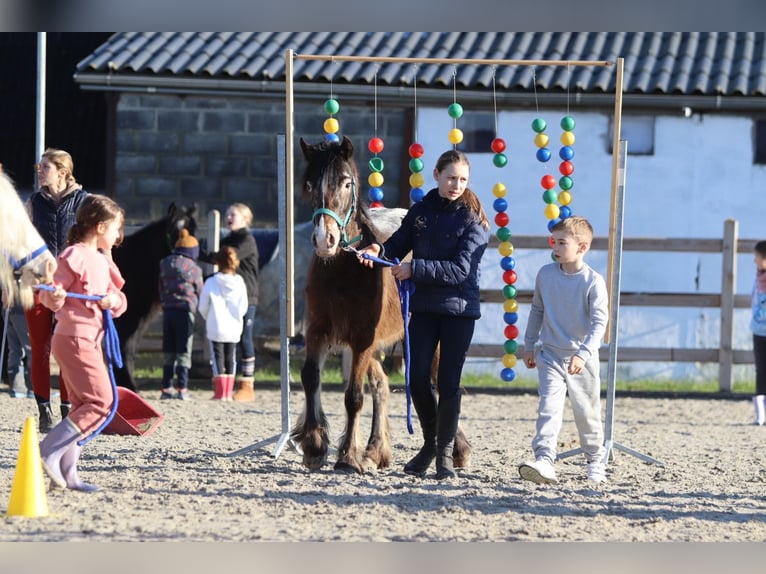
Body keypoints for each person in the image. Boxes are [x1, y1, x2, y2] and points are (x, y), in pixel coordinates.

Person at [357, 149, 490, 480]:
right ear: (436, 174)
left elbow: (461, 269)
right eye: (450, 177)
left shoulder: (474, 222)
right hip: (423, 308)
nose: (456, 184)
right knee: (416, 380)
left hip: (458, 311)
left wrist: (413, 268)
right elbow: (399, 242)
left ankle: (443, 452)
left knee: (447, 383)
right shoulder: (421, 211)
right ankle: (432, 443)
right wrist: (378, 249)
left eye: (462, 179)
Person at [38, 194, 128, 492]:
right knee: (102, 403)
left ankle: (68, 473)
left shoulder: (103, 261)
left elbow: (121, 301)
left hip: (89, 339)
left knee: (81, 404)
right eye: (116, 228)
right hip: (75, 338)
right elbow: (49, 294)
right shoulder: (73, 256)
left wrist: (113, 298)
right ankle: (49, 451)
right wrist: (55, 296)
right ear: (101, 227)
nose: (118, 236)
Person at [518, 215, 609, 485]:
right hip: (550, 355)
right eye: (553, 242)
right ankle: (545, 460)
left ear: (582, 247)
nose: (555, 248)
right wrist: (529, 344)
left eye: (561, 243)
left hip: (582, 360)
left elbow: (599, 322)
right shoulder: (546, 275)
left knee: (587, 411)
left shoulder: (593, 281)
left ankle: (595, 461)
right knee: (548, 408)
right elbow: (537, 310)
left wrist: (583, 354)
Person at [26, 148, 89, 432]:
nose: (39, 171)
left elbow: (93, 243)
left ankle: (67, 408)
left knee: (65, 348)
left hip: (70, 285)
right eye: (39, 167)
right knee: (40, 348)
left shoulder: (83, 202)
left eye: (45, 167)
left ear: (62, 172)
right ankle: (43, 410)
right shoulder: (33, 203)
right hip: (37, 282)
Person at [201, 203, 260, 402]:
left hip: (246, 294)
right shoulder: (228, 238)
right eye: (227, 213)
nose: (228, 217)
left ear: (245, 219)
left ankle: (247, 383)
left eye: (233, 214)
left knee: (245, 338)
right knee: (229, 339)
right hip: (229, 295)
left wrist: (196, 253)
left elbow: (224, 257)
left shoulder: (246, 240)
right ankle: (226, 384)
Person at [158, 229, 204, 400]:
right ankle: (182, 388)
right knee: (184, 351)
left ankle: (166, 387)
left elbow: (160, 287)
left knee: (169, 350)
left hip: (168, 310)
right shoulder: (194, 268)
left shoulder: (165, 263)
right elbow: (200, 289)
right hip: (185, 311)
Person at [198, 246, 248, 401]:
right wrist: (236, 318)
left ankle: (220, 392)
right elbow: (243, 306)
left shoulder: (211, 282)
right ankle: (228, 392)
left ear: (217, 262)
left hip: (216, 325)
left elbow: (203, 306)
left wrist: (209, 317)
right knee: (230, 357)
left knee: (217, 357)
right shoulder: (240, 282)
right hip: (233, 327)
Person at [2, 289, 33, 398]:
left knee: (15, 349)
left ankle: (17, 387)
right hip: (22, 303)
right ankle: (34, 388)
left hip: (9, 304)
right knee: (31, 348)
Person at [750, 240, 766, 426]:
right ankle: (760, 413)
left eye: (757, 257)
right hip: (759, 330)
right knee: (761, 370)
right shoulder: (757, 277)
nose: (755, 261)